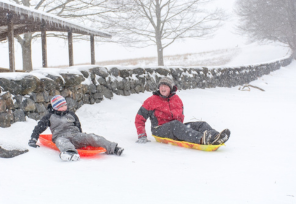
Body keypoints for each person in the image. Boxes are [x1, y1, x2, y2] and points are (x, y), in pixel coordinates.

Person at [135, 77, 230, 145]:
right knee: (175, 125)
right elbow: (139, 118)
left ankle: (216, 136)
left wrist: (184, 129)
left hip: (176, 127)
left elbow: (181, 117)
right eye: (161, 86)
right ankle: (202, 139)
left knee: (201, 124)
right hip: (159, 130)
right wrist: (141, 135)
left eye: (165, 86)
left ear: (170, 88)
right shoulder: (152, 100)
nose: (163, 88)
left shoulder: (176, 99)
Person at [28, 95, 124, 161]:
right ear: (56, 107)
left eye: (65, 105)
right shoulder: (49, 116)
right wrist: (33, 139)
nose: (65, 107)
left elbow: (78, 125)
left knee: (92, 136)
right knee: (62, 142)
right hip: (61, 136)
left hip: (76, 135)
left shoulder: (71, 114)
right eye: (61, 106)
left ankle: (113, 148)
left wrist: (83, 137)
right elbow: (38, 128)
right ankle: (70, 152)